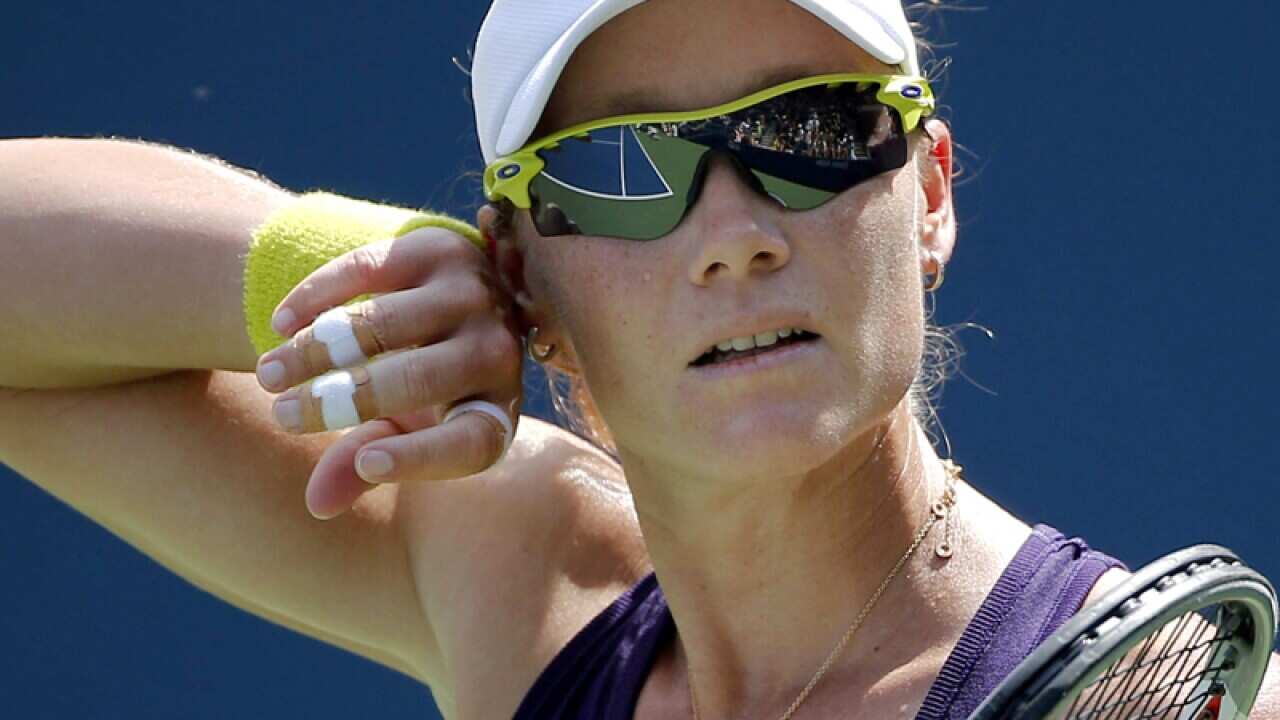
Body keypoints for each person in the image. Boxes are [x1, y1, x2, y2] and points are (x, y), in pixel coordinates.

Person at [0, 1, 1276, 718]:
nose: (730, 235)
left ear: (928, 193)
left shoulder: (1185, 705)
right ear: (521, 273)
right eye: (616, 170)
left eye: (809, 128)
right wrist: (350, 266)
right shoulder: (520, 581)